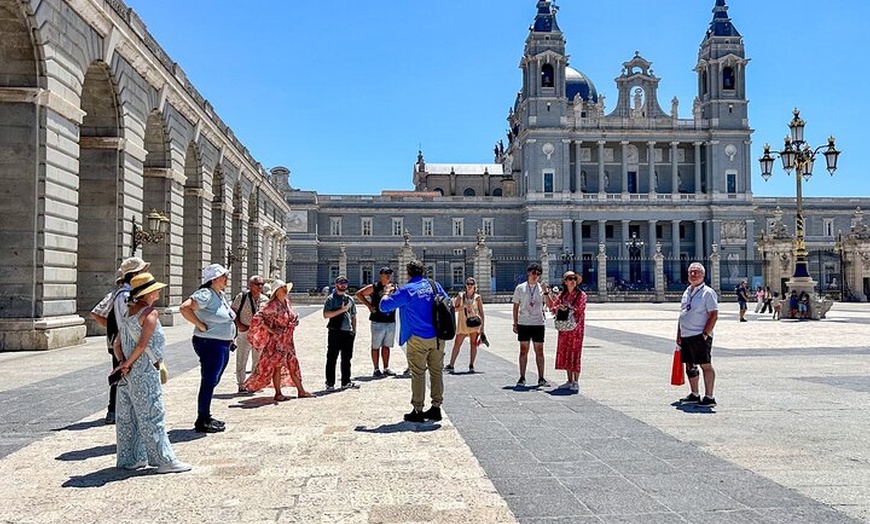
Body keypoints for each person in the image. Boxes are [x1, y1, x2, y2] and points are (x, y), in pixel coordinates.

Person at [112, 272, 191, 473]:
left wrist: (122, 364)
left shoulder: (128, 313)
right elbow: (142, 345)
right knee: (153, 415)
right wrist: (129, 363)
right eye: (155, 289)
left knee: (128, 418)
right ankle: (164, 460)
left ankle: (131, 458)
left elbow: (116, 344)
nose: (158, 291)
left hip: (127, 375)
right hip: (144, 371)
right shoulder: (150, 313)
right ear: (148, 293)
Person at [379, 259, 449, 423]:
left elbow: (384, 307)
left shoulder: (407, 290)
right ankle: (436, 408)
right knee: (436, 372)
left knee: (418, 373)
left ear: (408, 273)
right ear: (423, 272)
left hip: (418, 337)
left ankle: (418, 410)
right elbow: (447, 302)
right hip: (438, 337)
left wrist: (387, 292)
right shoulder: (434, 285)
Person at [90, 257, 150, 425]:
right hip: (124, 343)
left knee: (122, 373)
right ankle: (116, 410)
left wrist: (111, 329)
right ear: (135, 274)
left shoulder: (118, 293)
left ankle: (115, 409)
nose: (146, 273)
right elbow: (128, 320)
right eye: (143, 271)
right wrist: (116, 332)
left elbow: (97, 313)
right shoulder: (125, 295)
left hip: (118, 340)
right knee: (123, 373)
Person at [180, 263, 235, 433]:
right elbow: (185, 308)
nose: (227, 279)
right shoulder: (205, 294)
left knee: (213, 380)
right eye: (223, 276)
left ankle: (206, 415)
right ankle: (202, 418)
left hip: (222, 343)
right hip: (210, 343)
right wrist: (200, 325)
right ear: (213, 279)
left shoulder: (220, 294)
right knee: (209, 381)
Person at [244, 280, 313, 401]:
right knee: (277, 366)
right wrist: (270, 329)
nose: (285, 289)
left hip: (288, 340)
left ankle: (301, 390)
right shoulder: (272, 305)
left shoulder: (287, 302)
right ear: (277, 291)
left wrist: (294, 322)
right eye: (282, 287)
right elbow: (258, 318)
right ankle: (278, 393)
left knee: (293, 364)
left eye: (286, 287)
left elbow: (289, 317)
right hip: (277, 341)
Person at [677, 262, 719, 407]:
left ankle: (709, 396)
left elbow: (713, 314)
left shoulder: (708, 292)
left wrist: (705, 334)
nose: (693, 275)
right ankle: (694, 394)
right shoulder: (687, 291)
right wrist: (679, 334)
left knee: (705, 365)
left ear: (703, 275)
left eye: (697, 272)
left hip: (699, 335)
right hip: (686, 335)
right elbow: (682, 314)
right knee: (690, 365)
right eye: (691, 272)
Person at [511, 263, 555, 387]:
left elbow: (551, 306)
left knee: (539, 350)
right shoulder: (520, 288)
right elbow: (515, 306)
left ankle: (541, 378)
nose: (536, 276)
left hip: (538, 323)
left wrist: (546, 292)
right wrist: (515, 323)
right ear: (528, 273)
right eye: (534, 273)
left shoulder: (542, 288)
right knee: (523, 350)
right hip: (524, 322)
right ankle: (522, 377)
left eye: (538, 274)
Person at [355, 266, 398, 377]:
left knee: (387, 346)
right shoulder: (375, 287)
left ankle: (386, 367)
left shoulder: (394, 287)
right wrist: (369, 306)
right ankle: (376, 368)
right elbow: (359, 294)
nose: (389, 275)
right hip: (377, 320)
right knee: (376, 346)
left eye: (390, 273)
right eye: (386, 273)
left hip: (390, 320)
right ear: (381, 275)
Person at [552, 271, 587, 391]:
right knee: (566, 352)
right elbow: (553, 308)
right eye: (570, 278)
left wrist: (568, 307)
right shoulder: (562, 295)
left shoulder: (581, 295)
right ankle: (569, 380)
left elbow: (580, 309)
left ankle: (576, 381)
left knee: (575, 353)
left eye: (574, 279)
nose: (573, 281)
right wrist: (559, 307)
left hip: (576, 329)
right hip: (564, 328)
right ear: (565, 282)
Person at [232, 275, 267, 393]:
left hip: (259, 333)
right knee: (242, 358)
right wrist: (239, 325)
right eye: (257, 284)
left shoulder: (265, 299)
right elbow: (233, 312)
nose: (260, 286)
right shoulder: (242, 297)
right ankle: (241, 384)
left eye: (262, 284)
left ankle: (254, 383)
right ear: (250, 285)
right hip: (245, 331)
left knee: (257, 359)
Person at [322, 275, 358, 391]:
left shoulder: (350, 299)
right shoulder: (331, 299)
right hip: (335, 331)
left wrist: (354, 330)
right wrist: (341, 310)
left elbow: (353, 315)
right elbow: (326, 315)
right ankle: (330, 383)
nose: (343, 285)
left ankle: (345, 381)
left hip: (348, 332)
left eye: (345, 283)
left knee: (347, 358)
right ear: (336, 284)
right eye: (341, 283)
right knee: (332, 358)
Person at [445, 277, 485, 373]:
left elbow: (481, 313)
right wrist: (463, 307)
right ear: (465, 285)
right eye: (468, 284)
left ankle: (471, 365)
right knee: (457, 344)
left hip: (474, 323)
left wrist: (482, 328)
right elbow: (454, 309)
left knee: (473, 344)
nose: (469, 286)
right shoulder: (461, 296)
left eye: (471, 284)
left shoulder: (477, 297)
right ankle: (451, 364)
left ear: (475, 286)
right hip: (463, 323)